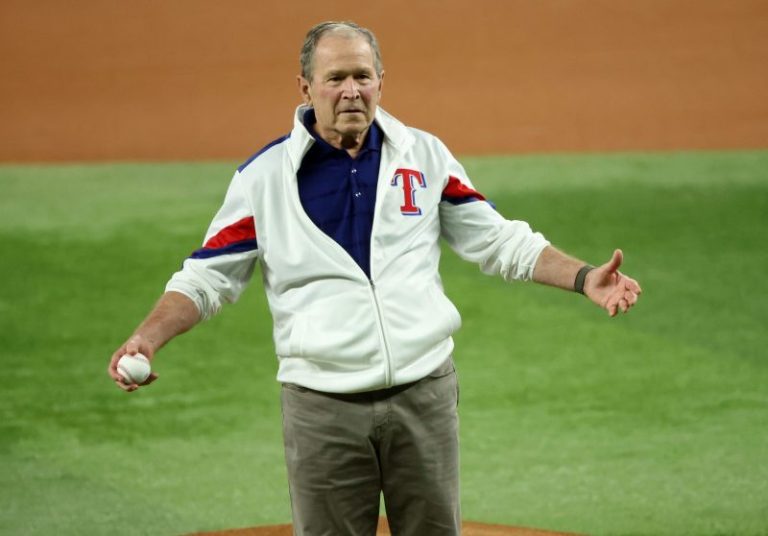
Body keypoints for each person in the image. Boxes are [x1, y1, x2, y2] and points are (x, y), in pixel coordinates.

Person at [108, 21, 641, 536]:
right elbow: (207, 278)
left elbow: (499, 240)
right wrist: (148, 338)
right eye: (335, 77)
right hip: (323, 408)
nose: (350, 90)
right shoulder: (263, 180)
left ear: (381, 83)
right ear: (306, 87)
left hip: (424, 394)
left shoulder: (424, 156)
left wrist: (584, 276)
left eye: (362, 76)